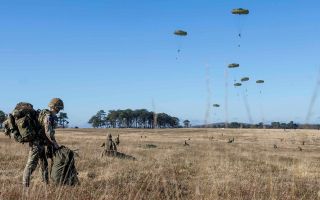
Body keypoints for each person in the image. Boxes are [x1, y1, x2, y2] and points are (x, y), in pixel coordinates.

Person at [23, 98, 64, 188]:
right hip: (36, 144)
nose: (59, 110)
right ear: (55, 107)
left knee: (44, 164)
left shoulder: (49, 115)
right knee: (31, 165)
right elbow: (48, 131)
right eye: (59, 108)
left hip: (41, 143)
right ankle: (25, 188)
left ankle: (45, 186)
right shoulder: (48, 116)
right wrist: (55, 144)